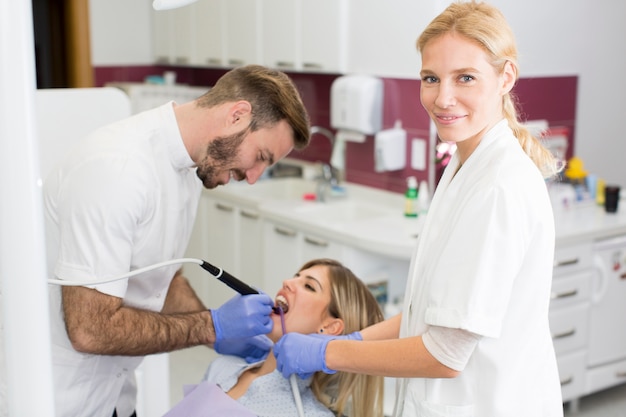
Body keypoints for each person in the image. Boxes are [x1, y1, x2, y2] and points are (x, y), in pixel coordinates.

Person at [274, 2, 564, 416]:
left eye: (465, 77)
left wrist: (330, 354)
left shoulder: (498, 186)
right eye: (431, 78)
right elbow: (427, 317)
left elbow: (444, 355)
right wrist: (355, 341)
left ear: (506, 77)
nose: (443, 98)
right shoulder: (466, 163)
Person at [43, 65, 310, 417]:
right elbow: (89, 330)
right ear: (237, 115)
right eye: (261, 157)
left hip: (115, 396)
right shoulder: (118, 169)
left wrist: (217, 333)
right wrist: (209, 325)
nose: (254, 178)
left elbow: (161, 278)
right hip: (60, 399)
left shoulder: (192, 166)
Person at [167, 258, 385, 417]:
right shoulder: (223, 368)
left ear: (330, 327)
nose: (287, 282)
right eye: (296, 276)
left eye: (309, 286)